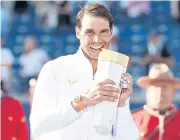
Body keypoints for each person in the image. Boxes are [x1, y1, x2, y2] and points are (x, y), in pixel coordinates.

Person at [30, 3, 139, 140]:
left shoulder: (117, 74)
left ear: (111, 33)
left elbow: (129, 137)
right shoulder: (54, 68)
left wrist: (122, 104)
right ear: (78, 32)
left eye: (103, 32)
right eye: (90, 32)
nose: (97, 40)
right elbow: (38, 125)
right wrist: (81, 102)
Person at [132, 63, 180, 140]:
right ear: (148, 90)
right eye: (156, 86)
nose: (160, 91)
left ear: (173, 90)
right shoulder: (133, 119)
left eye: (164, 86)